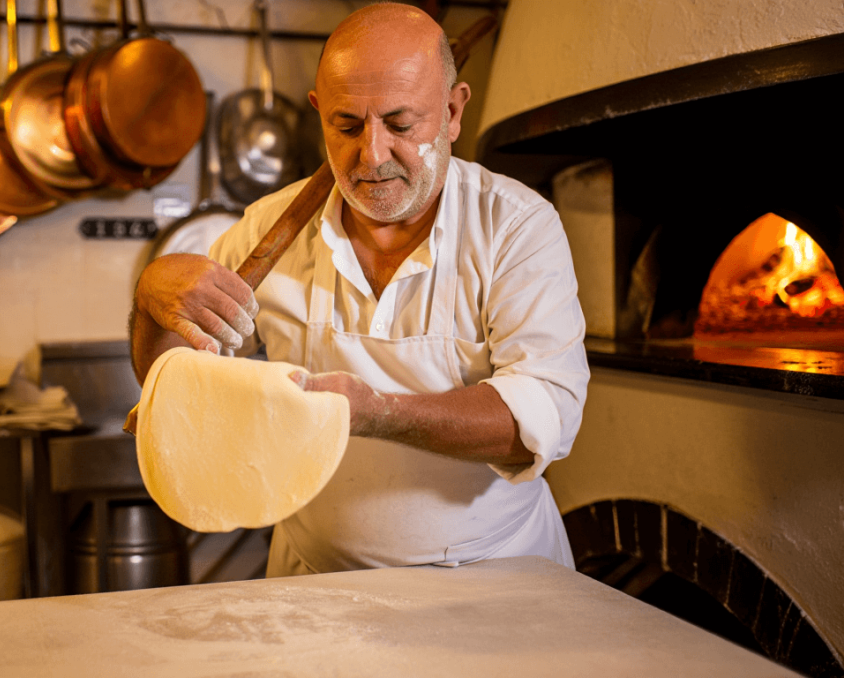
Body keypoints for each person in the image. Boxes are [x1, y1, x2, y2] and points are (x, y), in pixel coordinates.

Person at [130, 2, 589, 577]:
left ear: (451, 112)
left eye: (400, 125)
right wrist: (150, 301)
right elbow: (171, 391)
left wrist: (378, 413)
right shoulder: (264, 231)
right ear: (319, 112)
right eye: (346, 126)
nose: (371, 156)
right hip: (316, 578)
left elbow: (542, 419)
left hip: (494, 574)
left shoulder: (515, 226)